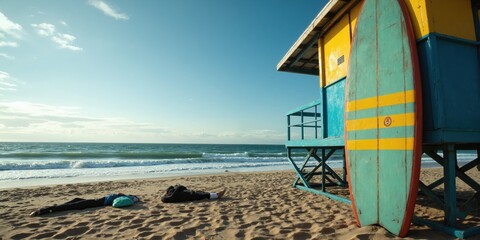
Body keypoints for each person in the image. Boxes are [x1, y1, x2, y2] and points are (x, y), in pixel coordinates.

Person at [29, 193, 140, 216]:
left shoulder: (125, 199)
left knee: (72, 206)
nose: (136, 199)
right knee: (76, 199)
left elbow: (117, 204)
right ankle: (56, 207)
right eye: (135, 198)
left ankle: (45, 210)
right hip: (94, 200)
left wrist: (134, 199)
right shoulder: (124, 196)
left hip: (96, 203)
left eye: (136, 198)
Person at [161, 184, 226, 203]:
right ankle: (217, 195)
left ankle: (215, 194)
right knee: (201, 195)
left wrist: (175, 187)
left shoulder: (169, 195)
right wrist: (178, 187)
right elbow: (179, 188)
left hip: (187, 193)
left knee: (201, 192)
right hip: (189, 196)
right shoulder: (169, 197)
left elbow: (174, 189)